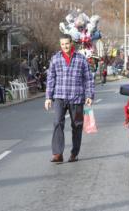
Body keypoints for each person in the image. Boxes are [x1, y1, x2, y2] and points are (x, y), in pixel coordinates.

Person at [45, 34, 94, 163]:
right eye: (62, 44)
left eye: (67, 43)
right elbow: (51, 79)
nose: (65, 46)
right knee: (57, 123)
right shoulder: (55, 59)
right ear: (60, 45)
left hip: (76, 97)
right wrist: (48, 97)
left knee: (77, 126)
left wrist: (89, 95)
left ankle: (74, 153)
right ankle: (57, 153)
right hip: (59, 96)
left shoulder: (81, 59)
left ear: (71, 43)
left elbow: (88, 78)